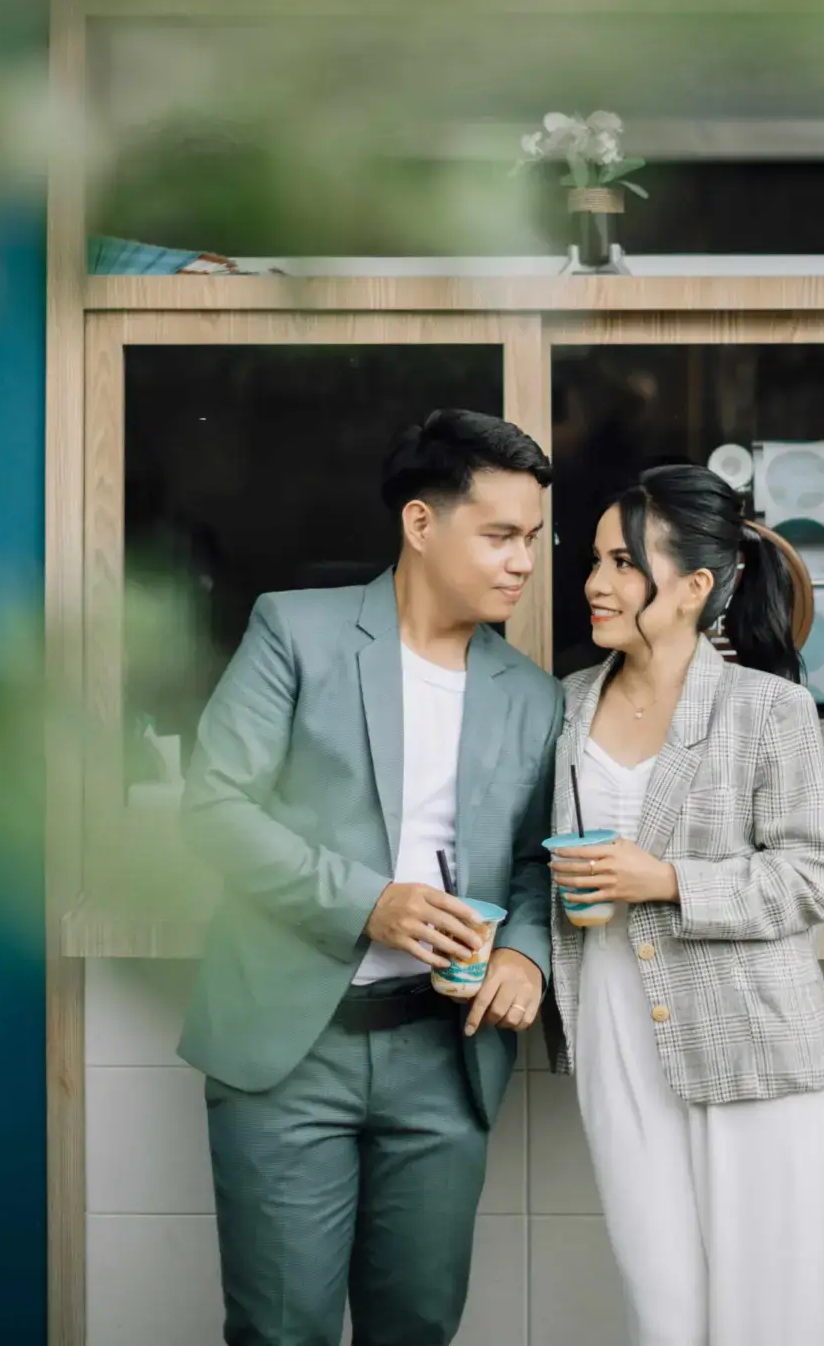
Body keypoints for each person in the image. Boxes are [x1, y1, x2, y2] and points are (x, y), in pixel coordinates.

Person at [178, 409, 564, 1346]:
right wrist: (370, 905)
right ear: (421, 523)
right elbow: (214, 808)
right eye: (500, 535)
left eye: (533, 539)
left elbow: (532, 861)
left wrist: (525, 956)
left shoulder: (533, 694)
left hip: (445, 1057)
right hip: (289, 1050)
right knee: (281, 1331)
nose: (523, 562)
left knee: (418, 1328)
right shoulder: (295, 630)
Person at [546, 464, 824, 1346]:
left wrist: (668, 880)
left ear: (693, 587)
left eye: (624, 563)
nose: (596, 582)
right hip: (611, 1028)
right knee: (662, 1306)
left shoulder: (771, 710)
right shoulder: (566, 704)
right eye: (595, 560)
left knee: (773, 1311)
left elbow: (811, 879)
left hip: (750, 1041)